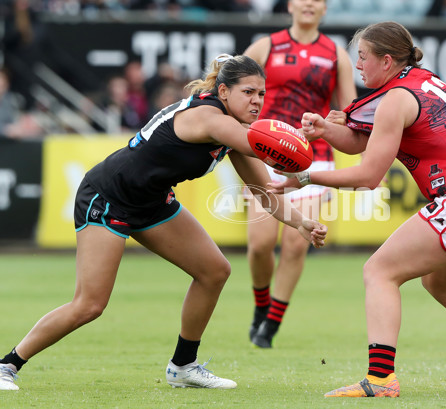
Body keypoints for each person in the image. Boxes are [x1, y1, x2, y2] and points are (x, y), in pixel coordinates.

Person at [0, 54, 327, 391]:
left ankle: (183, 366)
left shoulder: (234, 130)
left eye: (261, 93)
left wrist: (301, 223)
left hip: (152, 202)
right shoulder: (210, 118)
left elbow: (264, 192)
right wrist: (312, 139)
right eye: (248, 92)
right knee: (90, 304)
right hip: (108, 196)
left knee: (215, 271)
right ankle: (7, 365)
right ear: (224, 91)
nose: (257, 101)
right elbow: (269, 149)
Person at [268, 21, 446, 398]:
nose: (357, 65)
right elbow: (361, 142)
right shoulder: (420, 81)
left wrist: (305, 178)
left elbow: (370, 175)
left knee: (379, 271)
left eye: (363, 57)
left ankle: (381, 378)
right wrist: (325, 130)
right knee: (439, 281)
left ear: (386, 61)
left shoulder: (395, 99)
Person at [242, 0, 356, 348]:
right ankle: (261, 304)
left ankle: (271, 324)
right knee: (260, 245)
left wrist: (334, 121)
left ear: (324, 8)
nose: (309, 3)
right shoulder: (266, 46)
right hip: (265, 155)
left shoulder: (337, 54)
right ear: (290, 5)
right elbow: (234, 90)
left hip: (314, 159)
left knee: (295, 242)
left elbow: (349, 112)